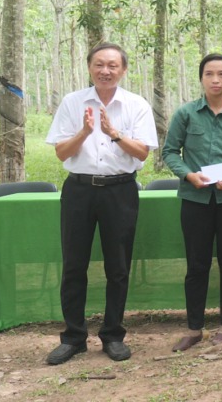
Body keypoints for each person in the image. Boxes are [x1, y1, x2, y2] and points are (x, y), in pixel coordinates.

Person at [44, 43, 158, 365]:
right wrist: (85, 131)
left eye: (112, 65)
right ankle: (74, 338)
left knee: (118, 267)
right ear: (89, 67)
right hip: (79, 191)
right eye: (99, 64)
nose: (105, 71)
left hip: (119, 191)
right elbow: (62, 153)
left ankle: (112, 335)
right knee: (74, 265)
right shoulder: (72, 102)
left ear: (123, 70)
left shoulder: (136, 105)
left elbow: (143, 153)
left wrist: (113, 133)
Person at [163, 54, 222, 352]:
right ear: (201, 78)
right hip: (195, 200)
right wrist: (188, 175)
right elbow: (169, 153)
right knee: (197, 265)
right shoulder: (186, 114)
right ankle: (194, 329)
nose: (215, 80)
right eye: (209, 74)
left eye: (221, 74)